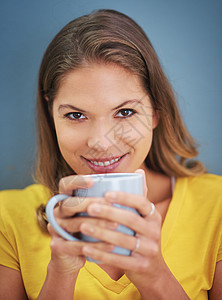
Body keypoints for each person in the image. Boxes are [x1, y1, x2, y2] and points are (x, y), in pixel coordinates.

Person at [0, 9, 221, 300]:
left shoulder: (216, 206)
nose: (101, 143)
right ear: (50, 114)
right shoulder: (8, 217)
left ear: (155, 111)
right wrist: (61, 273)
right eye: (76, 115)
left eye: (125, 112)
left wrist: (154, 277)